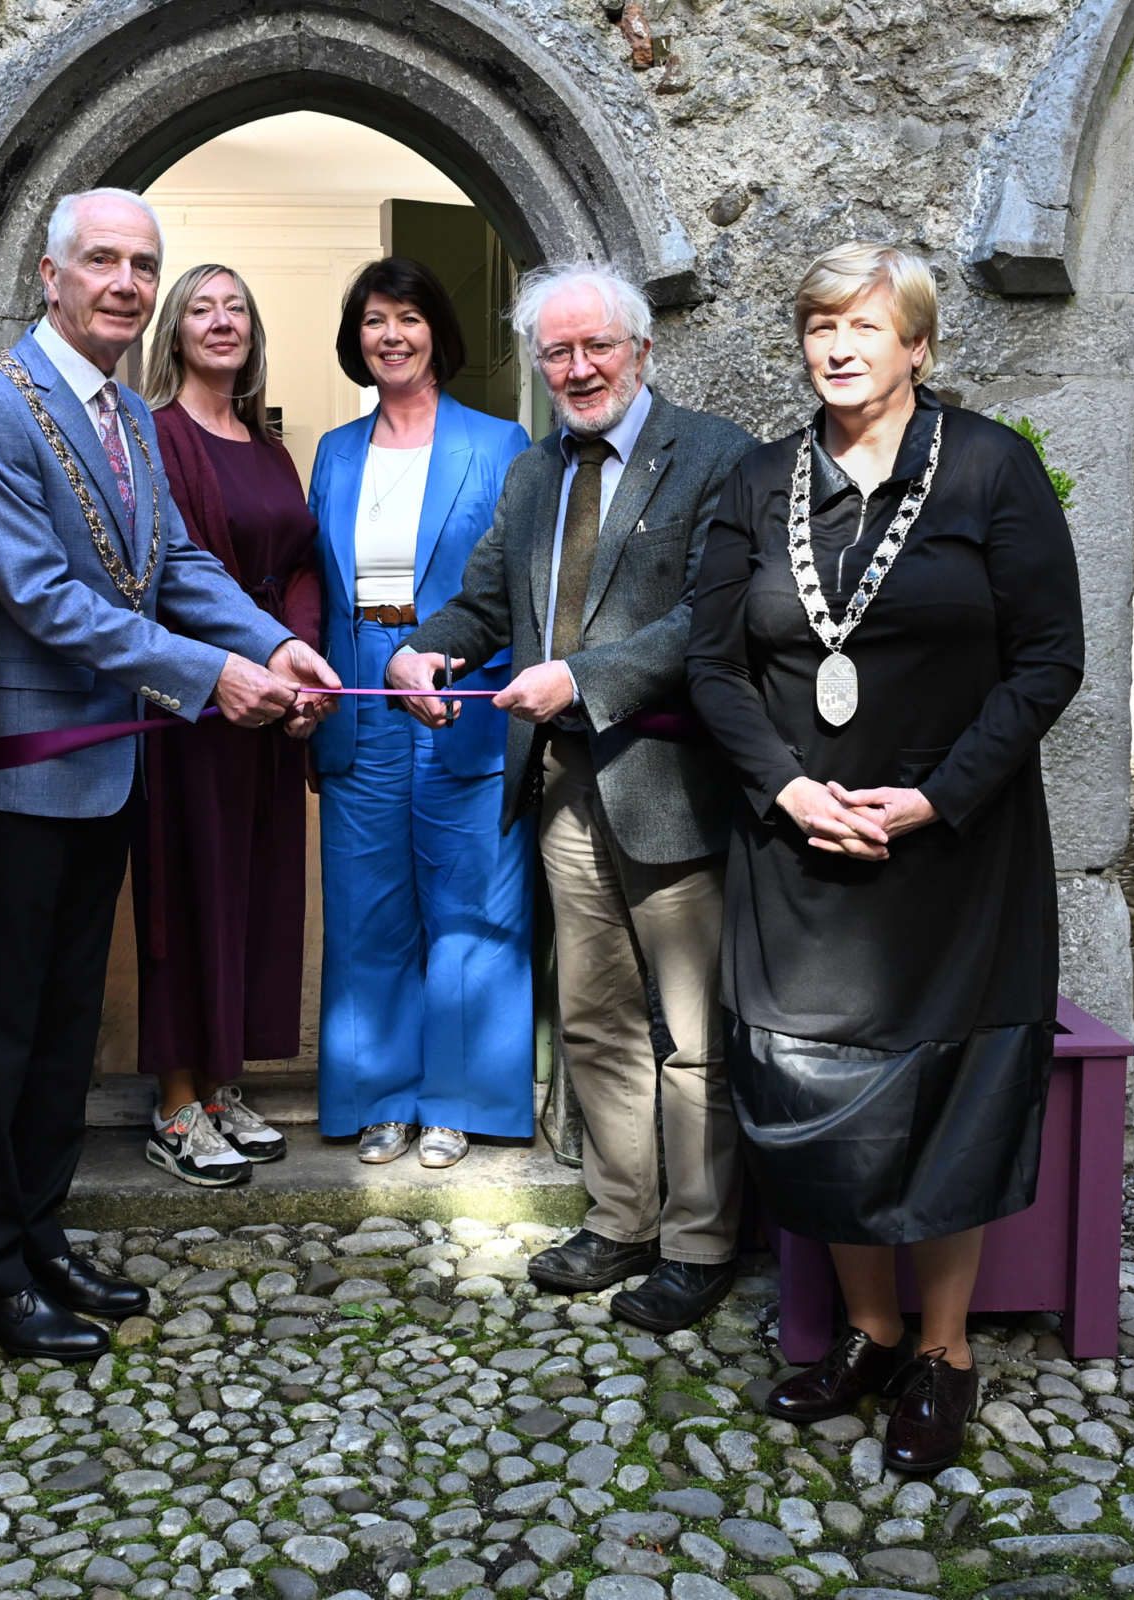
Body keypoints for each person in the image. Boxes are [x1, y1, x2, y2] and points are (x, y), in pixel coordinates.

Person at [686, 243, 1084, 1471]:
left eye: (863, 324)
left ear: (915, 344)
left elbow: (1046, 661)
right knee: (815, 1099)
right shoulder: (759, 483)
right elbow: (711, 664)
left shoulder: (988, 470)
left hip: (951, 851)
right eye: (818, 324)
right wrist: (791, 787)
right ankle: (863, 1330)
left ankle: (943, 1351)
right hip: (800, 845)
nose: (836, 345)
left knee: (948, 1097)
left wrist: (933, 797)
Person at [0, 189, 341, 1358]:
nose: (123, 281)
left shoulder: (120, 412)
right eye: (100, 260)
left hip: (107, 767)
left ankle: (38, 1232)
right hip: (22, 770)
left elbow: (173, 563)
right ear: (50, 278)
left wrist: (269, 642)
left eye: (140, 264)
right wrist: (207, 676)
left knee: (65, 1031)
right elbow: (40, 596)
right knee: (2, 1031)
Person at [392, 262, 756, 1331]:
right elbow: (484, 599)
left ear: (640, 350)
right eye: (556, 351)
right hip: (558, 788)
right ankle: (617, 1218)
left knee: (691, 1034)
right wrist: (427, 652)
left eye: (596, 345)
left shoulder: (715, 455)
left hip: (672, 788)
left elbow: (705, 620)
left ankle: (697, 1244)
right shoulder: (531, 471)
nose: (577, 366)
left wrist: (580, 681)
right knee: (594, 1017)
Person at [308, 257, 531, 1171]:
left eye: (407, 316)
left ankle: (460, 1098)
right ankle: (378, 1096)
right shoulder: (332, 450)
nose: (390, 335)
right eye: (372, 320)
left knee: (472, 904)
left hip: (461, 687)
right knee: (366, 909)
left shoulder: (502, 440)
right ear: (355, 340)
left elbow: (520, 589)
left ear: (437, 328)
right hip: (358, 687)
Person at [133, 263, 321, 1186]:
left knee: (255, 896)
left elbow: (303, 565)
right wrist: (244, 664)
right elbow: (164, 575)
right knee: (189, 895)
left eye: (235, 308)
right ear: (174, 332)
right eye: (201, 309)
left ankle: (219, 1083)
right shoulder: (154, 435)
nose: (220, 322)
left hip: (274, 700)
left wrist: (304, 665)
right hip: (197, 703)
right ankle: (173, 1100)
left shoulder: (268, 443)